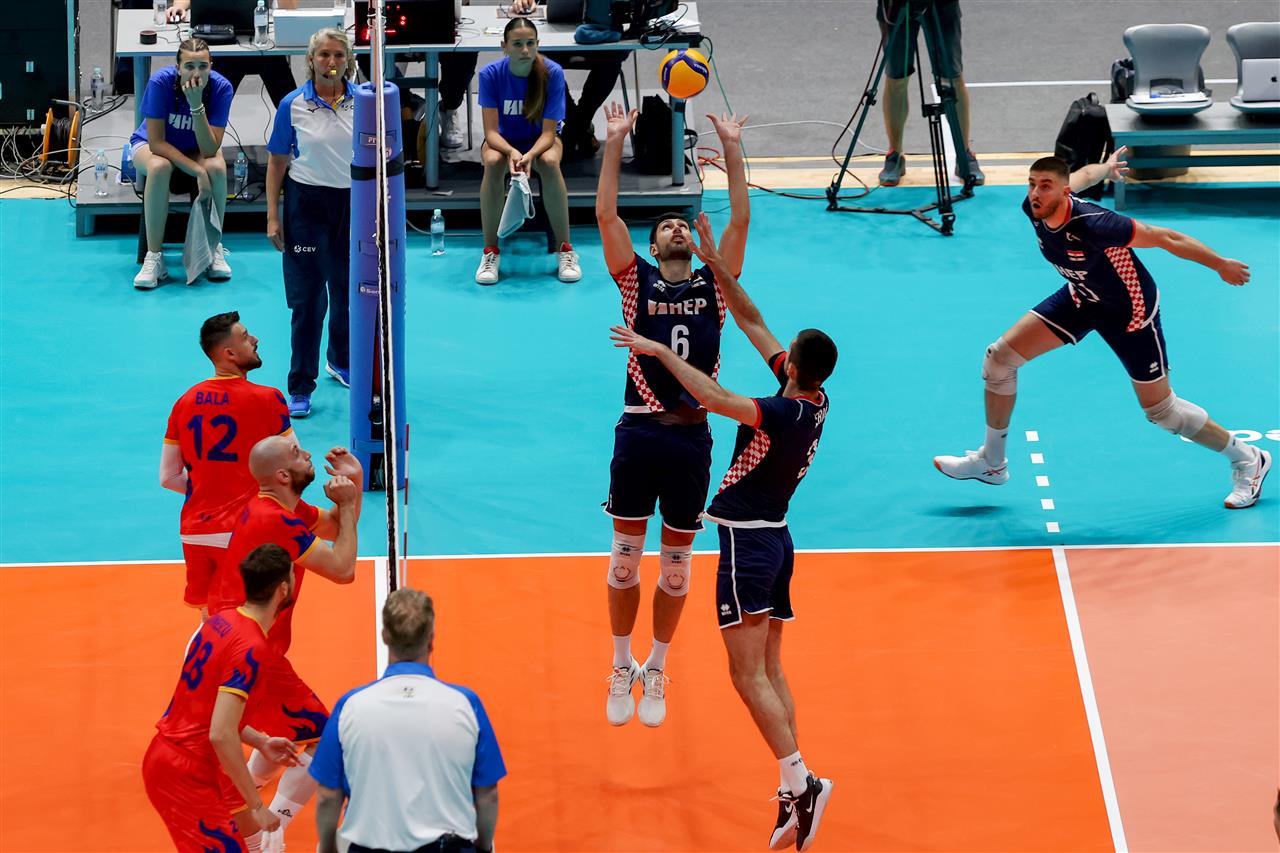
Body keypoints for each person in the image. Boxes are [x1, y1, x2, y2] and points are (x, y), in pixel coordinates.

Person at [610, 212, 838, 852]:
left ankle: (802, 781)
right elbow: (751, 318)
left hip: (749, 546)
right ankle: (796, 784)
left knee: (745, 677)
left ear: (792, 366)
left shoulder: (780, 410)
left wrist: (657, 351)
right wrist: (716, 266)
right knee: (770, 667)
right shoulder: (814, 399)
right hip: (779, 540)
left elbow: (710, 398)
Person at [934, 150, 1269, 510]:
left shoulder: (1096, 224)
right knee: (999, 360)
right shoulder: (1036, 208)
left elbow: (1165, 237)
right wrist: (1106, 168)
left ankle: (1248, 458)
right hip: (1083, 297)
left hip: (1129, 311)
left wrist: (1219, 264)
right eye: (1032, 184)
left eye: (1045, 186)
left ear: (1062, 192)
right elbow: (1081, 176)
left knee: (1162, 412)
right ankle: (992, 462)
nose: (1035, 193)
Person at [595, 101, 750, 727]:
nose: (675, 230)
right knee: (625, 561)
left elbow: (740, 217)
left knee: (678, 569)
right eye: (664, 227)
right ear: (653, 246)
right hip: (638, 430)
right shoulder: (636, 282)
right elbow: (606, 215)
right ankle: (620, 662)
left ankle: (656, 666)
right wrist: (613, 142)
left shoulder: (717, 283)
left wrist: (731, 147)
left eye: (681, 224)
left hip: (691, 438)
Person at [206, 435, 363, 851]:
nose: (306, 452)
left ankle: (244, 799)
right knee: (323, 741)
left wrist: (355, 483)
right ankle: (270, 831)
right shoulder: (275, 520)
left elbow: (336, 528)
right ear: (282, 475)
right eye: (296, 453)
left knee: (287, 733)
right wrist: (348, 504)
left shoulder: (281, 509)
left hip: (233, 639)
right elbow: (343, 569)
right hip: (248, 650)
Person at [311, 588, 506, 853]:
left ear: (384, 636)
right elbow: (488, 794)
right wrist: (482, 847)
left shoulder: (350, 706)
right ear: (431, 639)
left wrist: (327, 849)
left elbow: (327, 796)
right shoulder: (466, 704)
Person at [141, 543, 302, 852]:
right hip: (185, 772)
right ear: (283, 589)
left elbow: (207, 712)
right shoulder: (252, 648)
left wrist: (260, 741)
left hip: (180, 759)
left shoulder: (219, 621)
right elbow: (220, 732)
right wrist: (257, 805)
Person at [161, 311, 293, 620]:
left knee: (213, 625)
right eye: (246, 337)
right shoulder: (268, 399)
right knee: (253, 625)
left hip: (196, 532)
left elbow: (168, 477)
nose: (255, 340)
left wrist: (208, 486)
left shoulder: (184, 402)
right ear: (229, 353)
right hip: (247, 529)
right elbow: (291, 467)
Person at [266, 27, 356, 420]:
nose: (331, 62)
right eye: (324, 55)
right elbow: (276, 162)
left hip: (353, 205)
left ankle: (340, 360)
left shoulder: (365, 102)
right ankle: (300, 385)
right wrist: (273, 215)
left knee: (347, 290)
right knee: (308, 301)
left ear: (348, 60)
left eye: (338, 55)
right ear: (311, 60)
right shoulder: (292, 105)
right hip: (306, 207)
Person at [475, 17, 580, 285]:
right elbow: (490, 133)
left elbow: (549, 133)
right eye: (517, 44)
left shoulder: (552, 73)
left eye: (530, 43)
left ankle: (565, 250)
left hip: (540, 143)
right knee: (493, 161)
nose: (525, 50)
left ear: (537, 44)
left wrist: (530, 155)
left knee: (550, 162)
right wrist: (512, 152)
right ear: (504, 46)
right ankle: (490, 252)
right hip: (503, 142)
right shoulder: (490, 75)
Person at [129, 37, 234, 289]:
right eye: (189, 66)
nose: (196, 73)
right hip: (153, 146)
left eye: (203, 66)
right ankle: (154, 257)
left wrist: (196, 105)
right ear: (178, 68)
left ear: (211, 66)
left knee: (217, 168)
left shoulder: (221, 88)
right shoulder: (160, 83)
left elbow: (209, 149)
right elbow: (156, 143)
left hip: (197, 148)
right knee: (159, 167)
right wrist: (196, 170)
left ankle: (213, 248)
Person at [875, 0, 983, 187]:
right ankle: (895, 155)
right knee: (896, 78)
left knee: (951, 77)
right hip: (896, 5)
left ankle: (963, 154)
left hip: (941, 4)